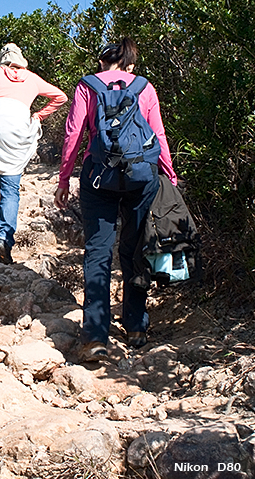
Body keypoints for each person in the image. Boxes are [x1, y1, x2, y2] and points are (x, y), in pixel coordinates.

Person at [54, 38, 177, 362]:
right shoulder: (144, 87)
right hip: (142, 178)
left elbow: (73, 134)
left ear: (102, 62)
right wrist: (171, 175)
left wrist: (64, 178)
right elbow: (158, 133)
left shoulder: (88, 86)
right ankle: (136, 327)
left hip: (99, 178)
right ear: (130, 64)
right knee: (136, 249)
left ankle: (95, 335)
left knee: (98, 252)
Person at [0, 43, 68, 264]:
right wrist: (39, 115)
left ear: (3, 59)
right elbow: (61, 97)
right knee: (10, 189)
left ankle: (3, 233)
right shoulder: (32, 78)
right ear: (21, 60)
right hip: (17, 129)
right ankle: (4, 238)